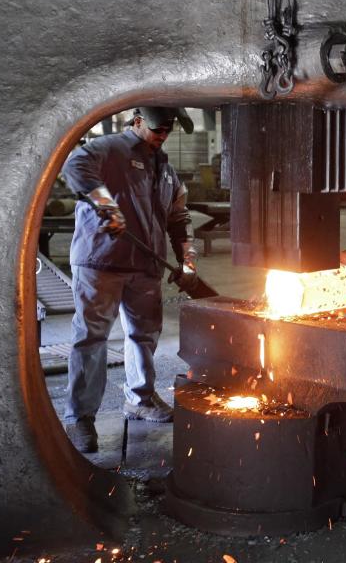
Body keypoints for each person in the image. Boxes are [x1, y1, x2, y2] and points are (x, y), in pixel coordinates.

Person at [60, 106, 201, 453]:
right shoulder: (109, 149)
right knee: (92, 339)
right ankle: (80, 417)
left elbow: (178, 216)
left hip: (144, 267)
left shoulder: (165, 170)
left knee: (144, 336)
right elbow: (74, 165)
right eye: (157, 128)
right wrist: (104, 204)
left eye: (168, 130)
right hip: (101, 261)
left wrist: (187, 261)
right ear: (137, 121)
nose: (162, 134)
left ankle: (139, 399)